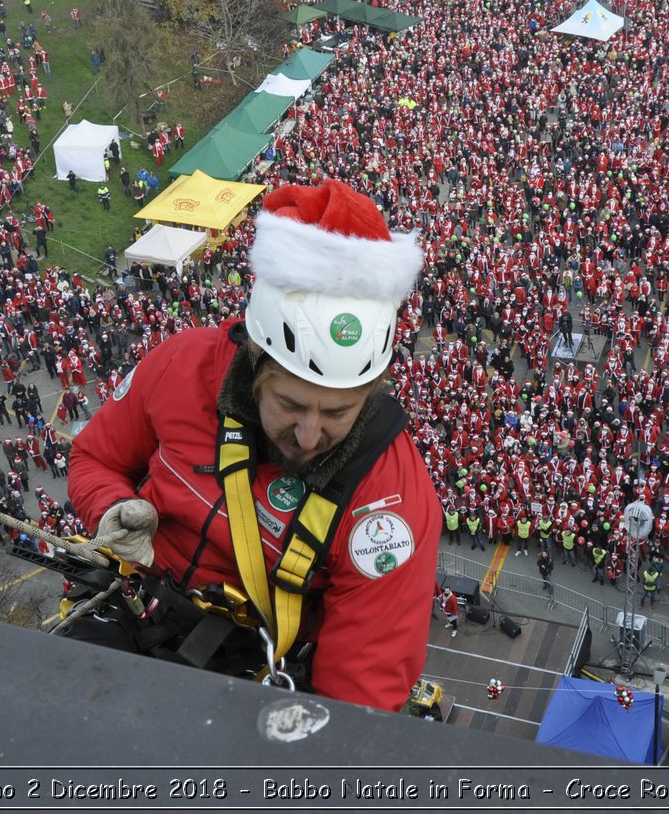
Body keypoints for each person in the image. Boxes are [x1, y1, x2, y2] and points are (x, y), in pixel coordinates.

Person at [68, 180, 439, 711]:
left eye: (338, 412)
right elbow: (95, 458)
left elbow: (360, 693)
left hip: (257, 670)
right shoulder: (182, 367)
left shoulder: (390, 502)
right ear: (255, 365)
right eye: (290, 405)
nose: (310, 436)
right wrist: (110, 506)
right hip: (136, 602)